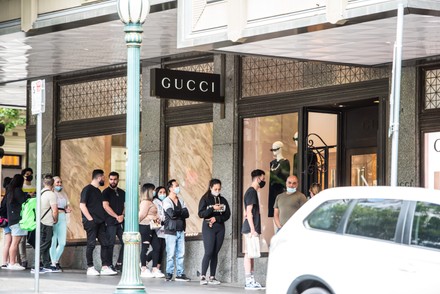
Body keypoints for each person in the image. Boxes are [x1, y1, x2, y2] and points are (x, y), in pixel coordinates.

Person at [79, 169, 116, 276]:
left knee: (105, 243)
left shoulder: (98, 191)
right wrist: (90, 219)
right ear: (99, 178)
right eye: (104, 178)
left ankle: (105, 267)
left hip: (100, 222)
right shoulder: (87, 189)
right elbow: (82, 205)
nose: (104, 180)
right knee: (91, 244)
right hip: (91, 222)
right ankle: (90, 267)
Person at [198, 179, 231, 286]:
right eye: (215, 189)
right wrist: (212, 208)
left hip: (220, 227)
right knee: (208, 251)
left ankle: (212, 276)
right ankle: (203, 276)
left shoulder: (223, 200)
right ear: (211, 188)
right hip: (208, 227)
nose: (217, 191)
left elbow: (227, 215)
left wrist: (217, 218)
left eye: (219, 189)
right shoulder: (205, 199)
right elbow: (201, 214)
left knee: (215, 252)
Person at [241, 169, 265, 290]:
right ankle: (248, 281)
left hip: (252, 228)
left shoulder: (252, 192)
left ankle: (252, 280)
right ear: (258, 179)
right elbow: (249, 212)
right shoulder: (251, 192)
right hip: (250, 229)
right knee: (248, 254)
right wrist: (252, 229)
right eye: (263, 179)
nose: (263, 181)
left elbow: (246, 212)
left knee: (251, 254)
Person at [163, 179, 190, 282]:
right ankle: (169, 274)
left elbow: (187, 214)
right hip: (171, 230)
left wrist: (178, 212)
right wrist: (180, 212)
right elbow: (171, 214)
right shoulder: (166, 201)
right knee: (170, 253)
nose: (177, 187)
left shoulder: (181, 200)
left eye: (178, 185)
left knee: (181, 253)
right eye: (176, 186)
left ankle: (180, 273)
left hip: (180, 230)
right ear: (170, 188)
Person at [32, 174, 59, 274]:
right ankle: (35, 265)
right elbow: (55, 210)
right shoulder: (51, 195)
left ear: (44, 183)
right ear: (52, 184)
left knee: (45, 243)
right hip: (47, 223)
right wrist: (55, 219)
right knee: (45, 243)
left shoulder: (40, 193)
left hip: (39, 221)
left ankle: (46, 264)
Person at [139, 183, 164, 278]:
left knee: (157, 247)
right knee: (145, 247)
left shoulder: (151, 202)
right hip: (146, 226)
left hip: (153, 226)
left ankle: (154, 269)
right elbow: (141, 215)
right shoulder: (145, 202)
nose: (155, 192)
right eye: (153, 190)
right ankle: (143, 268)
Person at [102, 171, 125, 272]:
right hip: (110, 221)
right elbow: (105, 206)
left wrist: (122, 215)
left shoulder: (122, 192)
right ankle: (109, 264)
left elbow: (126, 205)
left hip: (121, 221)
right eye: (111, 179)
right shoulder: (105, 192)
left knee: (126, 242)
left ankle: (119, 263)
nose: (113, 181)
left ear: (118, 180)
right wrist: (116, 216)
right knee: (110, 243)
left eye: (115, 179)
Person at [5, 174, 27, 270]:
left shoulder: (10, 192)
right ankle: (12, 263)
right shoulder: (18, 191)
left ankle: (12, 262)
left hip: (12, 220)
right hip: (17, 220)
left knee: (14, 242)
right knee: (15, 242)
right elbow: (24, 201)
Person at [49, 176, 71, 272]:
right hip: (53, 217)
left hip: (62, 217)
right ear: (53, 183)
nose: (59, 184)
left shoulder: (63, 194)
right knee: (53, 241)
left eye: (60, 182)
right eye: (57, 182)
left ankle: (55, 259)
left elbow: (67, 205)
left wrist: (67, 209)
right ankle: (53, 262)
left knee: (62, 242)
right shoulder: (51, 194)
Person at [268, 141, 290, 217]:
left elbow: (285, 178)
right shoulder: (272, 163)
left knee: (281, 214)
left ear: (280, 149)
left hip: (281, 191)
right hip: (273, 191)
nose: (274, 151)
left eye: (275, 149)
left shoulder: (285, 162)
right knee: (274, 214)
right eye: (272, 149)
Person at [19, 167, 35, 268]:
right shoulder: (21, 187)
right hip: (24, 214)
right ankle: (23, 258)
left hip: (33, 215)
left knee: (33, 237)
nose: (29, 176)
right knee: (22, 239)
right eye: (27, 174)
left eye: (30, 174)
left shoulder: (34, 186)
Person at [1, 177, 12, 268]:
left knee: (8, 241)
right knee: (8, 241)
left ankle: (6, 261)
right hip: (8, 221)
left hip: (6, 220)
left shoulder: (6, 196)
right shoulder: (8, 196)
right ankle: (5, 262)